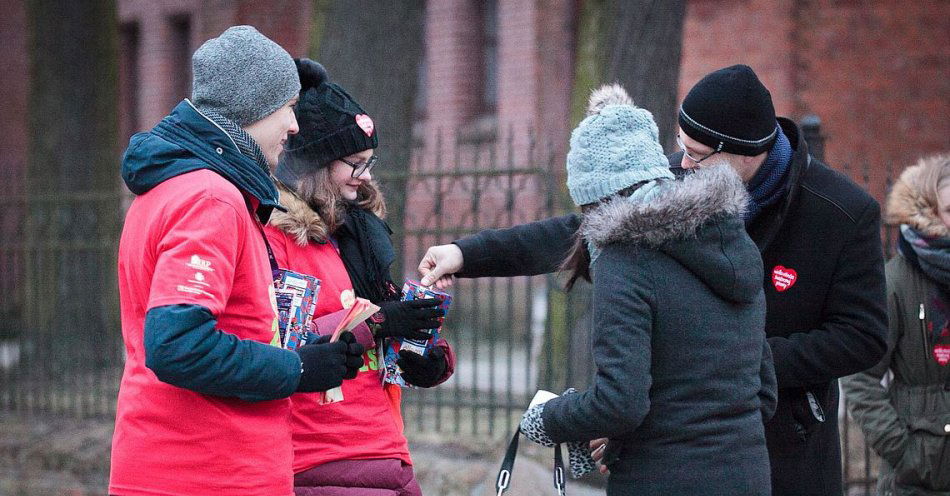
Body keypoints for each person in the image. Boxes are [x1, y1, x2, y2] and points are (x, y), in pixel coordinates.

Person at [418, 64, 888, 495]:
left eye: (696, 155)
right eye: (680, 147)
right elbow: (590, 226)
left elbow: (864, 337)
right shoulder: (676, 181)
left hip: (790, 445)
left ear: (745, 153)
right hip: (697, 444)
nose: (680, 165)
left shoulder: (842, 214)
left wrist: (734, 360)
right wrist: (467, 254)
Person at [111, 27, 364, 496]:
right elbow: (178, 346)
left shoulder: (174, 189)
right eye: (288, 107)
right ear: (255, 108)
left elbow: (216, 330)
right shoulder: (211, 198)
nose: (294, 126)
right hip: (209, 474)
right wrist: (300, 369)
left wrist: (307, 351)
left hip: (182, 467)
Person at [515, 84, 776, 495]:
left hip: (663, 480)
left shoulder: (626, 260)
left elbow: (620, 402)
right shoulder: (731, 243)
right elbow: (764, 393)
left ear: (598, 199)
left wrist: (548, 417)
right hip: (748, 475)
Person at [264, 59, 456, 496]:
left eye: (370, 162)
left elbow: (386, 323)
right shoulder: (273, 238)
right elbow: (273, 345)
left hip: (388, 453)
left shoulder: (359, 235)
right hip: (319, 459)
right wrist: (377, 323)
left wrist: (429, 358)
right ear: (315, 164)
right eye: (354, 163)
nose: (365, 176)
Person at [841, 154, 950, 496]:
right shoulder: (897, 281)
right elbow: (860, 376)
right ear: (928, 212)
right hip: (917, 479)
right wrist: (906, 454)